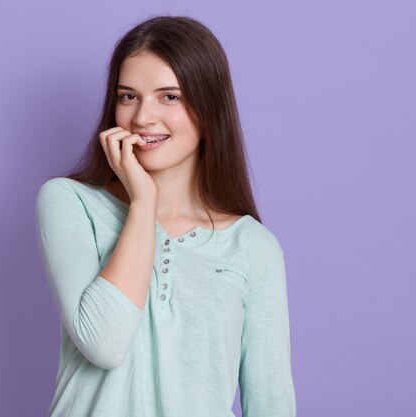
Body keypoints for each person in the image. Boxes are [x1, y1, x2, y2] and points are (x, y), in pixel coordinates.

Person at [35, 15, 296, 417]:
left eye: (169, 96)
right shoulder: (70, 202)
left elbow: (270, 403)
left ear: (208, 109)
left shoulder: (253, 247)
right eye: (128, 96)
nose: (142, 117)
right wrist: (143, 202)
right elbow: (103, 343)